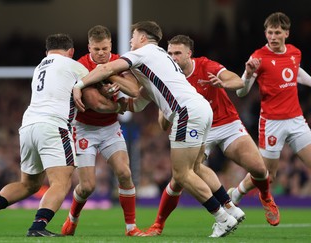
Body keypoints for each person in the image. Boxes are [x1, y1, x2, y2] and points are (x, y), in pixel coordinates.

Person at [73, 20, 239, 238]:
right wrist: (117, 105)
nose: (130, 40)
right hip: (201, 109)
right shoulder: (157, 59)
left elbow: (106, 68)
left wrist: (79, 84)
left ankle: (223, 218)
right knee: (196, 167)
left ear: (143, 37)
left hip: (186, 112)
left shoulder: (145, 52)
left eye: (133, 36)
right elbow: (138, 100)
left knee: (182, 174)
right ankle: (231, 208)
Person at [144, 34, 278, 236]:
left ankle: (265, 196)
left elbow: (237, 81)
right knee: (180, 178)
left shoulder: (205, 66)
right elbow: (163, 125)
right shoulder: (168, 78)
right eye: (170, 53)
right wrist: (164, 108)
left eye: (178, 53)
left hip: (226, 123)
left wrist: (223, 84)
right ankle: (158, 224)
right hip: (198, 129)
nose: (173, 57)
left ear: (189, 54)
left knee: (259, 169)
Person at [0, 33, 89, 237]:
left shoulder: (39, 67)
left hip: (28, 126)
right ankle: (38, 227)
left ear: (47, 52)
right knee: (62, 182)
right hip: (53, 125)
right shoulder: (72, 65)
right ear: (71, 51)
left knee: (29, 184)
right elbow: (95, 83)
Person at [60, 25, 145, 237]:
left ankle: (131, 228)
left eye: (105, 48)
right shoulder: (80, 66)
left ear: (111, 46)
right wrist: (117, 104)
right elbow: (95, 103)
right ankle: (72, 219)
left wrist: (110, 74)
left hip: (109, 128)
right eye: (96, 49)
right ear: (89, 47)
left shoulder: (118, 61)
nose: (101, 53)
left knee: (125, 173)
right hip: (84, 129)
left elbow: (134, 90)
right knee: (87, 186)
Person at [231, 11, 311, 221]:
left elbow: (296, 72)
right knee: (268, 175)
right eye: (269, 32)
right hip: (272, 123)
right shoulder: (258, 57)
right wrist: (248, 73)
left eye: (277, 32)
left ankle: (235, 194)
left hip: (296, 121)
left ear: (286, 33)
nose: (273, 37)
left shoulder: (294, 52)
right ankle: (237, 193)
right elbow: (241, 91)